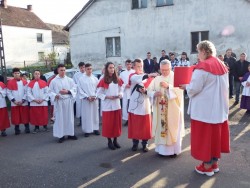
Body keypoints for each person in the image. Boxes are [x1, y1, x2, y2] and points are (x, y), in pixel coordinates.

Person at [180, 40, 230, 177]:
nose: (197, 55)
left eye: (198, 51)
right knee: (214, 138)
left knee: (205, 139)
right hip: (218, 110)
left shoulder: (203, 67)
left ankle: (207, 166)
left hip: (204, 111)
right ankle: (214, 163)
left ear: (203, 51)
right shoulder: (221, 64)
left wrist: (186, 87)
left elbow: (195, 88)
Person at [148, 60, 185, 157]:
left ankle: (173, 151)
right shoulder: (157, 79)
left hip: (173, 109)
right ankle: (161, 150)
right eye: (162, 70)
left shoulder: (175, 77)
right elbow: (149, 90)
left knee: (172, 127)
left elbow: (180, 91)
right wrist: (154, 94)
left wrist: (168, 86)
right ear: (160, 69)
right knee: (161, 127)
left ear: (170, 68)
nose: (164, 72)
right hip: (160, 108)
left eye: (166, 70)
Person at [128, 59, 158, 152]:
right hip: (135, 106)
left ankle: (145, 144)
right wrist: (149, 75)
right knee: (135, 125)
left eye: (141, 66)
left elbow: (151, 91)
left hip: (145, 104)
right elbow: (138, 79)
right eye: (138, 66)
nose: (140, 68)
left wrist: (147, 92)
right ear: (133, 67)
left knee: (145, 125)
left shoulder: (148, 78)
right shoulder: (133, 76)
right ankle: (135, 143)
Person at [97, 62, 123, 150]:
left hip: (116, 104)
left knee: (116, 124)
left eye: (113, 67)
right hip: (107, 106)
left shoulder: (117, 79)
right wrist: (107, 96)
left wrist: (120, 94)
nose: (112, 69)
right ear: (106, 69)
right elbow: (99, 94)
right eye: (110, 68)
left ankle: (115, 140)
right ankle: (109, 141)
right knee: (109, 125)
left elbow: (121, 89)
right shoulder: (103, 80)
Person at [49, 64, 77, 143]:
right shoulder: (53, 81)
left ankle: (70, 134)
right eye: (61, 70)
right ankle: (61, 135)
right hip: (59, 101)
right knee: (60, 119)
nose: (63, 72)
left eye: (64, 70)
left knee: (69, 118)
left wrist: (67, 91)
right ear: (58, 71)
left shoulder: (70, 80)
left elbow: (74, 89)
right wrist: (55, 95)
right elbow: (49, 91)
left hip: (68, 101)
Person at [78, 63, 100, 137]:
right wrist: (87, 97)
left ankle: (95, 128)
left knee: (95, 114)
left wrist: (95, 96)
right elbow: (80, 90)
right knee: (87, 115)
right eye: (88, 69)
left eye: (90, 69)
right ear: (85, 69)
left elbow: (98, 89)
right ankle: (87, 130)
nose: (89, 70)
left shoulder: (95, 78)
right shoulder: (81, 79)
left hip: (94, 99)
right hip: (86, 100)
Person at [7, 68, 30, 135]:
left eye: (18, 73)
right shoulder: (10, 82)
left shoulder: (24, 82)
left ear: (20, 74)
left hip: (23, 102)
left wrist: (23, 100)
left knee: (25, 115)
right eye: (15, 73)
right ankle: (17, 129)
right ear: (13, 74)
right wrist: (14, 101)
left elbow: (27, 92)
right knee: (16, 116)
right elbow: (8, 93)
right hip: (15, 103)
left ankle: (27, 128)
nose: (16, 74)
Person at [119, 59, 135, 126]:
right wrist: (125, 85)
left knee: (132, 105)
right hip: (125, 91)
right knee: (125, 105)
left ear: (131, 65)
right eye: (127, 64)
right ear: (125, 65)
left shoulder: (134, 72)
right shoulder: (122, 73)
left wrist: (131, 85)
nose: (129, 65)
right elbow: (120, 82)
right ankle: (127, 119)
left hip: (132, 91)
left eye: (130, 64)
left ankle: (133, 119)